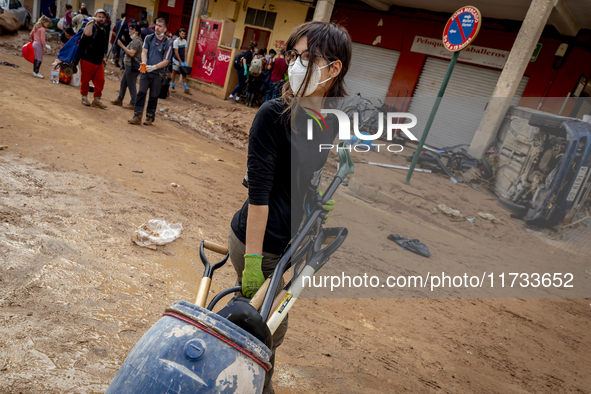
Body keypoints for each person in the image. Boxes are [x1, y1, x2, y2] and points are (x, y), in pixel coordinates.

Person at [228, 21, 351, 394]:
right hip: (259, 243)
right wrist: (252, 263)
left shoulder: (327, 122)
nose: (296, 65)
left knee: (263, 327)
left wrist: (314, 200)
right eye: (293, 55)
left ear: (333, 69)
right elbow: (260, 195)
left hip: (289, 243)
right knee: (262, 330)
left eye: (308, 58)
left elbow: (302, 177)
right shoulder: (273, 114)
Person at [128, 18, 172, 126]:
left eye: (160, 26)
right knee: (141, 92)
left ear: (165, 29)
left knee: (153, 96)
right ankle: (137, 115)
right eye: (156, 25)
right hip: (146, 71)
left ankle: (150, 116)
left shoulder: (168, 44)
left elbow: (166, 61)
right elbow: (144, 51)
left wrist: (154, 67)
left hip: (158, 74)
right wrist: (144, 63)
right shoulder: (149, 38)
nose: (157, 27)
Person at [79, 9, 109, 109]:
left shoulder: (104, 30)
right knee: (85, 80)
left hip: (98, 61)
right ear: (95, 17)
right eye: (99, 16)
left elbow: (102, 46)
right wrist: (92, 20)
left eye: (103, 17)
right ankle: (84, 97)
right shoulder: (92, 26)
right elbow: (87, 33)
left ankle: (97, 100)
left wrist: (103, 58)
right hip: (87, 58)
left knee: (100, 81)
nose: (101, 19)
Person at [111, 23, 142, 109]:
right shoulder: (135, 41)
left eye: (132, 29)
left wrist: (121, 46)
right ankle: (120, 99)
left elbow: (131, 53)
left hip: (132, 66)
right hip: (129, 65)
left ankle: (133, 103)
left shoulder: (136, 41)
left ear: (137, 32)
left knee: (131, 84)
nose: (130, 31)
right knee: (123, 82)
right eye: (130, 29)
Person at [170, 28, 190, 94]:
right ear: (179, 33)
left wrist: (185, 61)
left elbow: (185, 51)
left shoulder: (185, 41)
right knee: (174, 72)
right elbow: (176, 52)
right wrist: (180, 61)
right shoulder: (176, 41)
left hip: (183, 60)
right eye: (182, 33)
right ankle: (172, 85)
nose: (183, 35)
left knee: (184, 73)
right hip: (176, 59)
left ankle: (185, 87)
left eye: (184, 34)